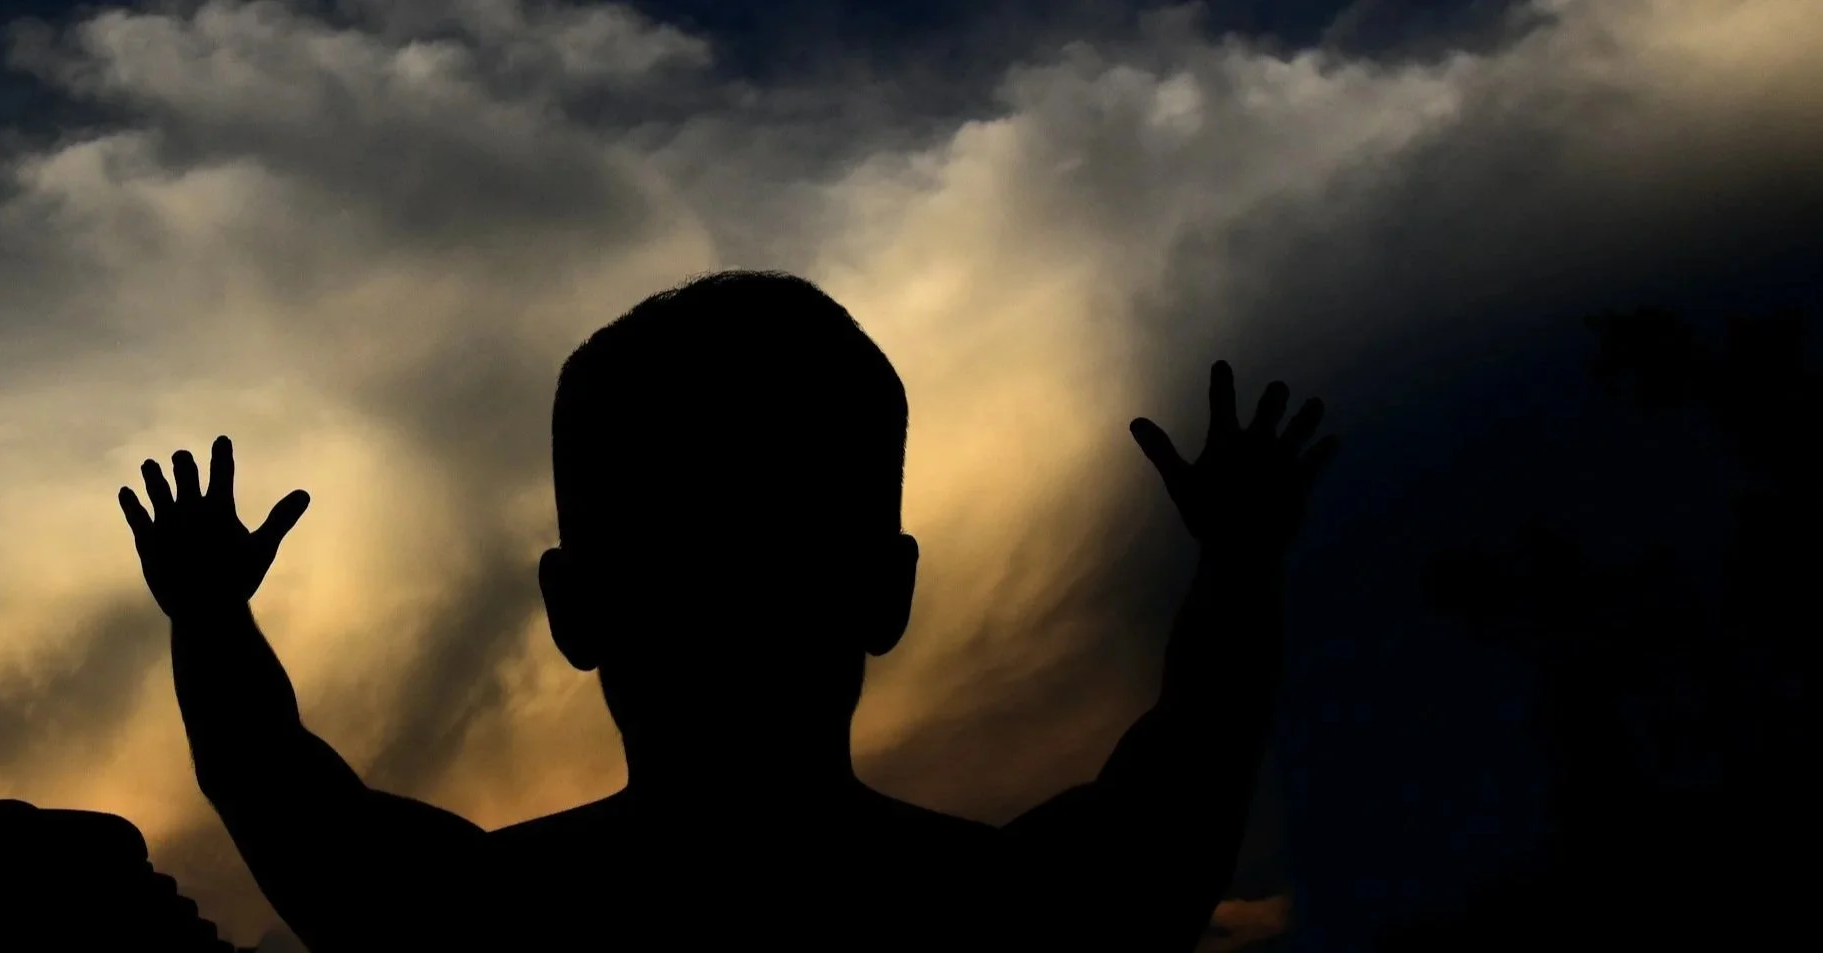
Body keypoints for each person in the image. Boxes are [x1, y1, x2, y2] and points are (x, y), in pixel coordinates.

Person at [119, 271, 1338, 951]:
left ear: (572, 609)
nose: (728, 604)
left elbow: (278, 789)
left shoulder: (492, 926)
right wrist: (1237, 561)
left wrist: (210, 614)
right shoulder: (1012, 921)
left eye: (762, 548)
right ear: (887, 592)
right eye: (694, 554)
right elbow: (1192, 766)